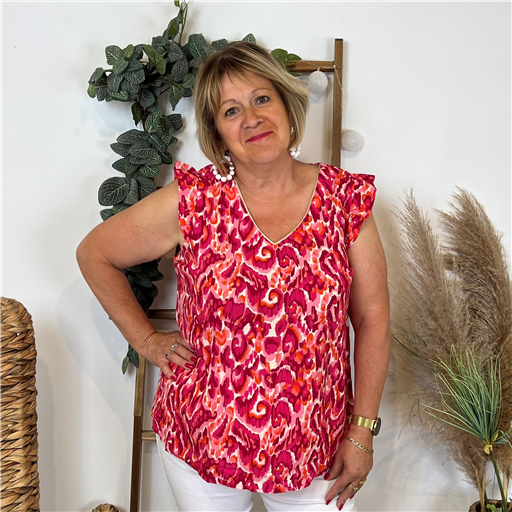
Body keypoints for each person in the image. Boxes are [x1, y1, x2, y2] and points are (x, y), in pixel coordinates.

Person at [77, 42, 390, 512]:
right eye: (231, 110)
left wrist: (362, 432)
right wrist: (146, 341)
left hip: (316, 447)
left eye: (262, 99)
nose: (252, 119)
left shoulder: (344, 200)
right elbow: (95, 254)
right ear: (218, 134)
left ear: (287, 106)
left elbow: (372, 319)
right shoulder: (194, 201)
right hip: (202, 439)